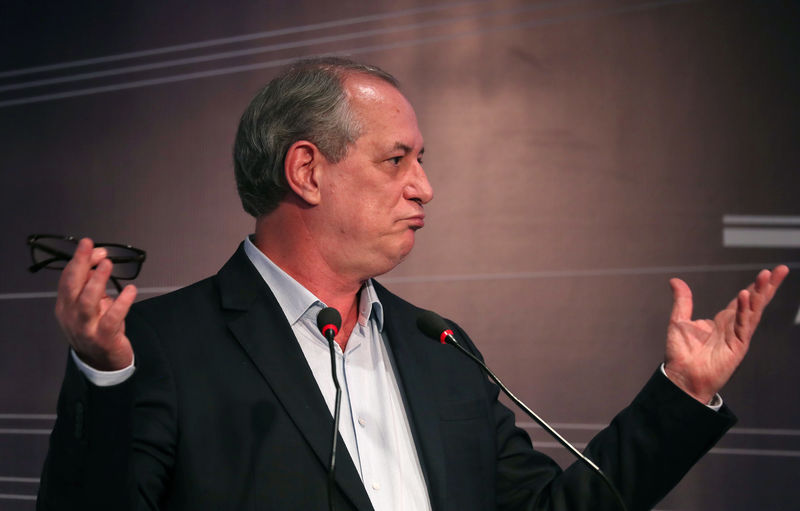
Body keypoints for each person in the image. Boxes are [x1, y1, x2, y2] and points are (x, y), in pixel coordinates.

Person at [37, 57, 788, 511]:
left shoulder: (442, 351)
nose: (425, 186)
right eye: (396, 160)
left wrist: (681, 393)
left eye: (422, 160)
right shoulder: (166, 346)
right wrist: (104, 379)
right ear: (307, 170)